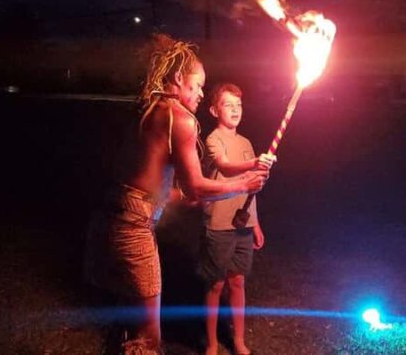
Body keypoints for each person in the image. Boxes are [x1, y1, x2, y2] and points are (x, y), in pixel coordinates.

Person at [84, 36, 272, 354]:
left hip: (109, 221)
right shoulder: (180, 118)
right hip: (132, 231)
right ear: (177, 79)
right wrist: (244, 184)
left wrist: (185, 198)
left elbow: (144, 188)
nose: (200, 93)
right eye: (197, 85)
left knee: (130, 316)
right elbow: (196, 185)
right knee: (148, 336)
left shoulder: (150, 108)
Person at [199, 83, 274, 355]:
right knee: (216, 283)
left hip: (243, 225)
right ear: (213, 110)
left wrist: (256, 224)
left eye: (239, 105)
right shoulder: (212, 140)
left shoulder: (246, 143)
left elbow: (253, 188)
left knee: (238, 282)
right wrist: (254, 162)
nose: (235, 109)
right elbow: (224, 166)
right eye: (228, 104)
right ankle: (211, 343)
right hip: (220, 224)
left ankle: (239, 341)